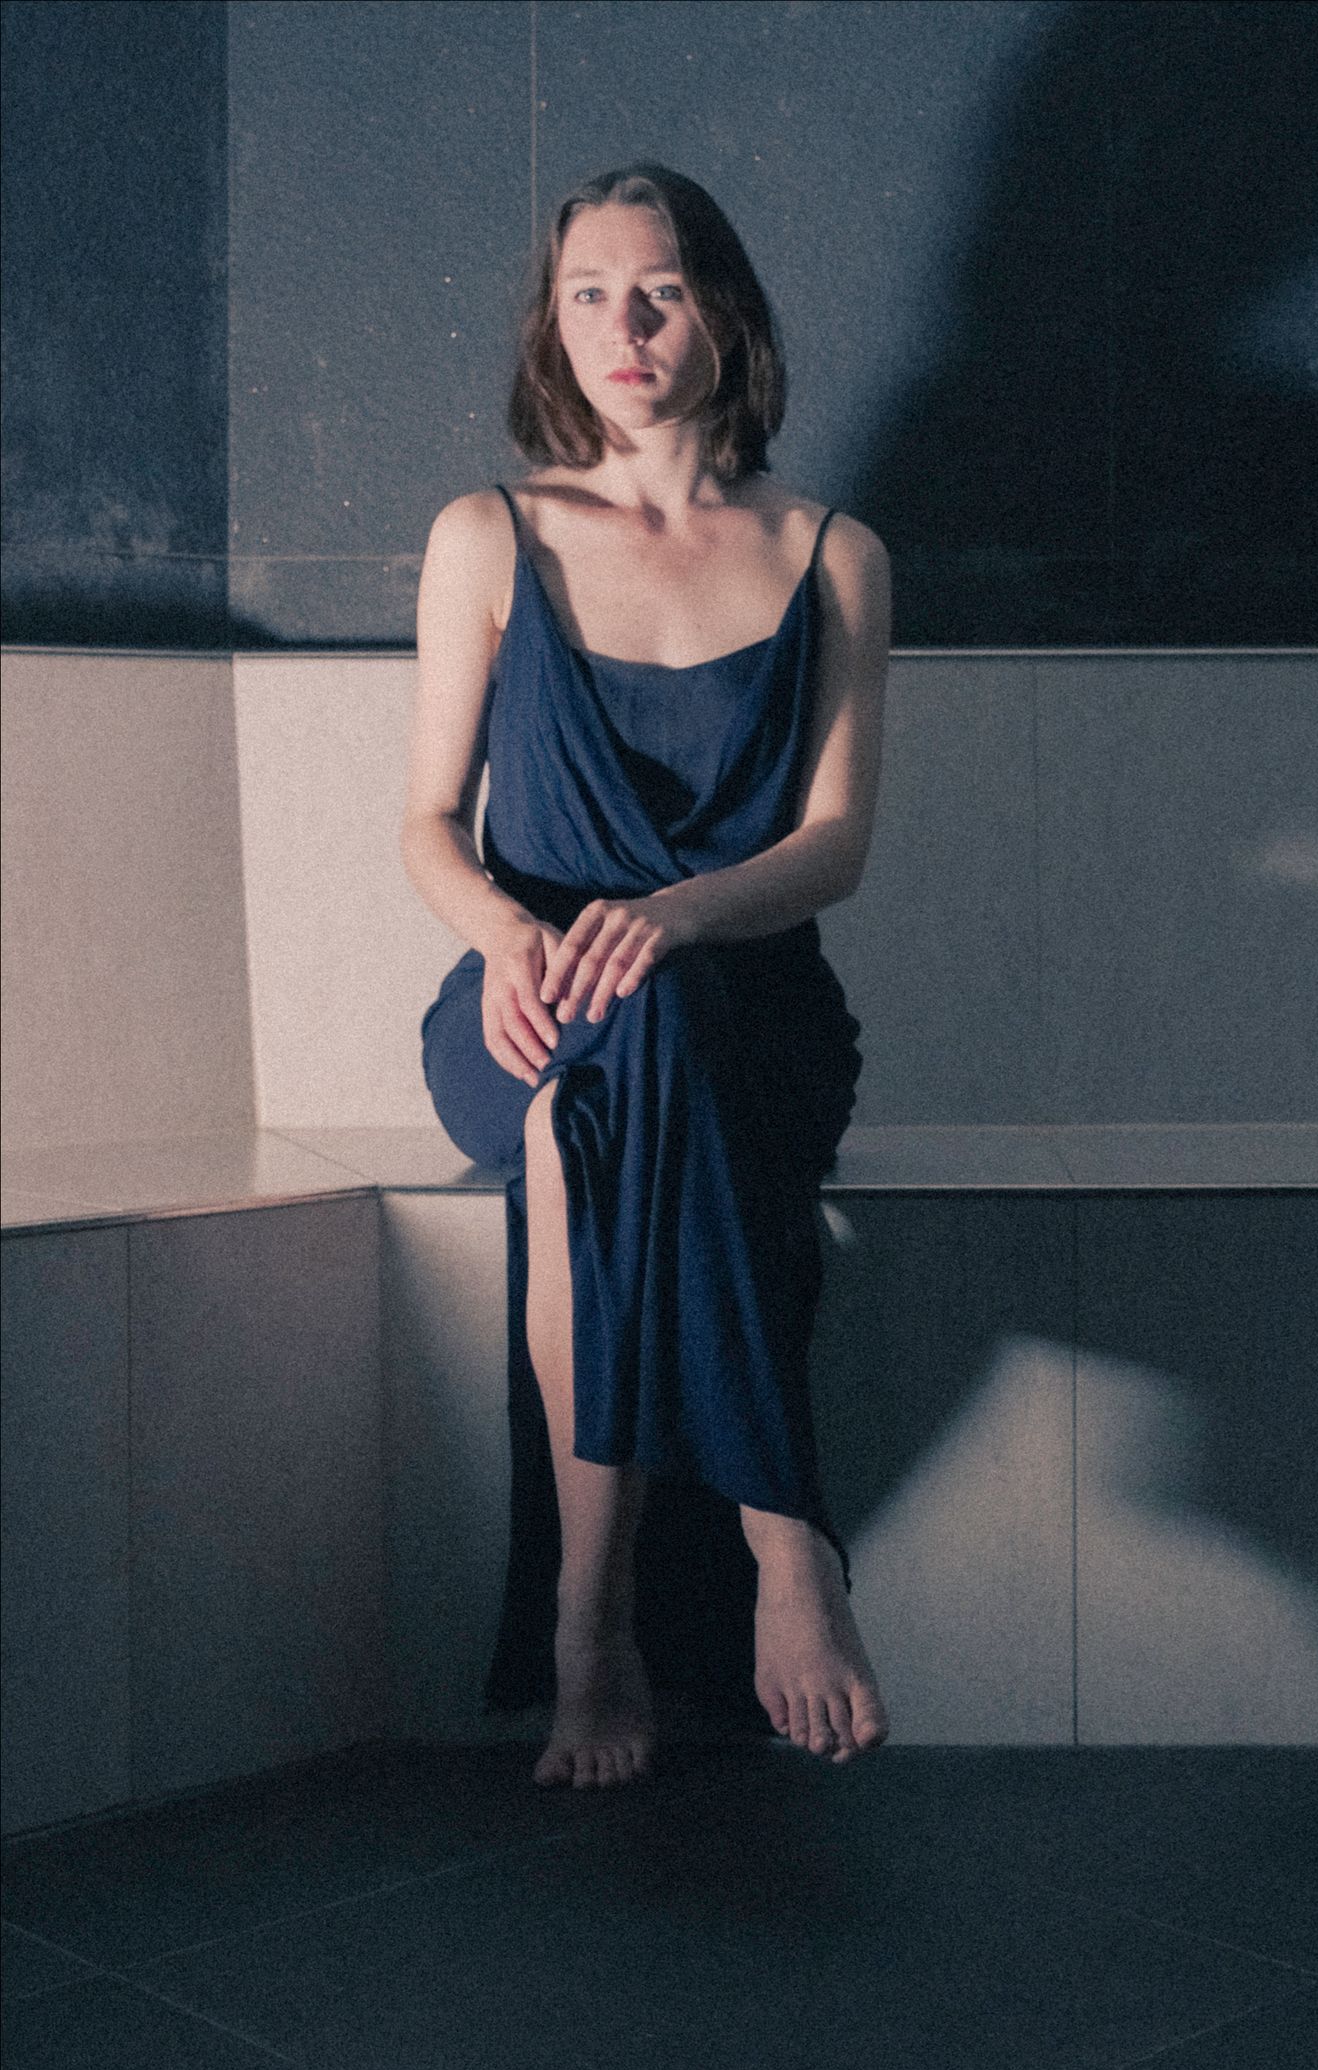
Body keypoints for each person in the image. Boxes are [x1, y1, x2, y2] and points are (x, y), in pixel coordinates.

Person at [401, 162, 891, 1790]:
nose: (623, 325)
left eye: (659, 289)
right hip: (520, 995)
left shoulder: (832, 554)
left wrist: (677, 916)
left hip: (749, 1002)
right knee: (589, 1072)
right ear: (556, 324)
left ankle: (586, 1626)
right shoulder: (490, 536)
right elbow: (423, 824)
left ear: (721, 311)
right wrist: (502, 936)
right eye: (588, 294)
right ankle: (782, 1545)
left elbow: (834, 843)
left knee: (644, 1041)